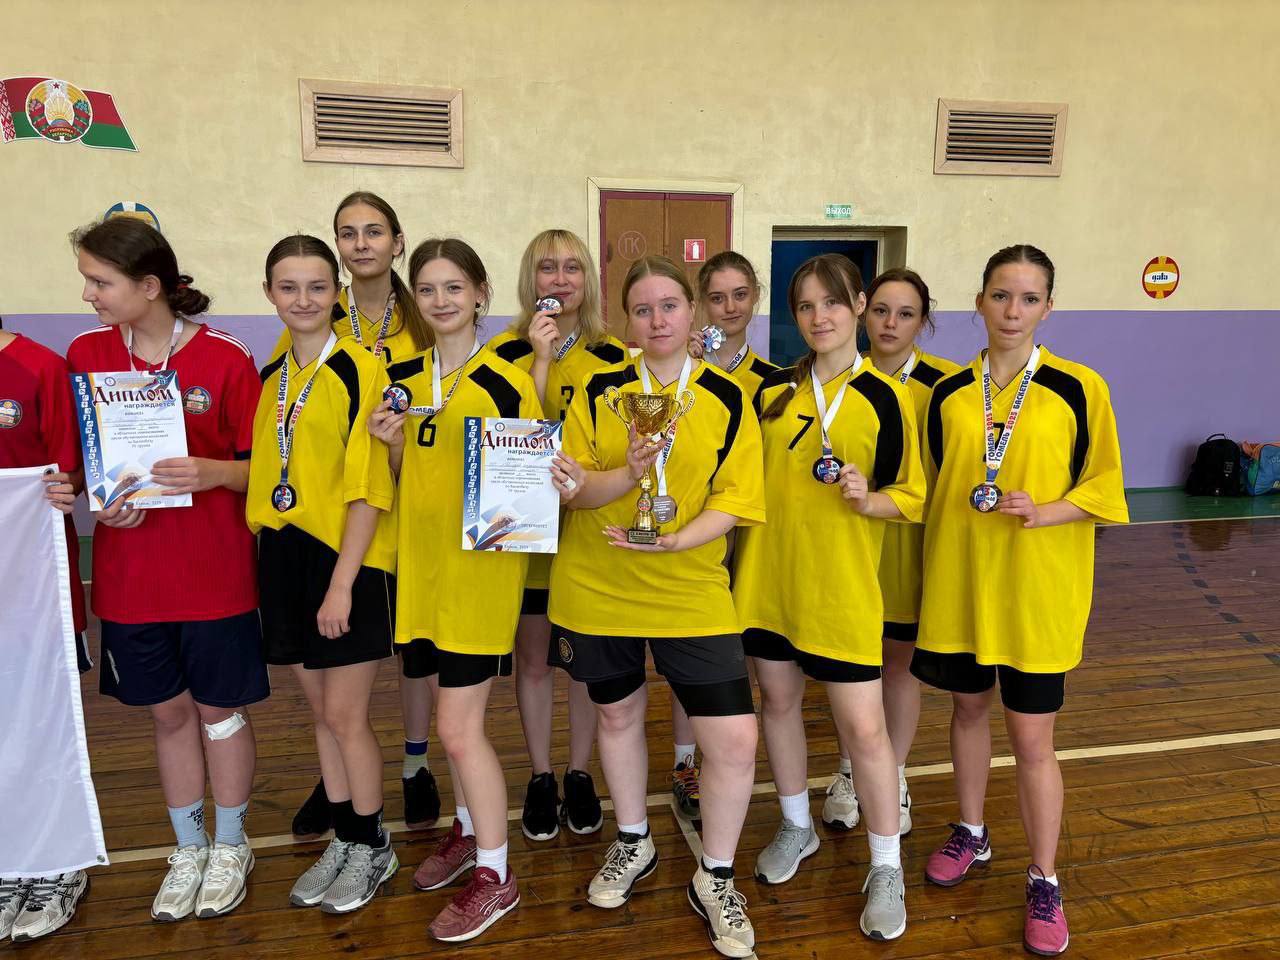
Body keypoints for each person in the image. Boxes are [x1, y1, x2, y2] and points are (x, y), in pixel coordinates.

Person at [548, 255, 764, 959]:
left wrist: (675, 541)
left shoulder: (727, 396)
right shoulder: (598, 390)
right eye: (642, 309)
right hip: (600, 581)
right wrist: (629, 473)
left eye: (670, 305)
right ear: (627, 320)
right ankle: (634, 839)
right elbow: (574, 490)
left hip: (691, 585)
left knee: (733, 739)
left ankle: (717, 875)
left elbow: (735, 500)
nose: (658, 319)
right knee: (617, 715)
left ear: (692, 310)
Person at [914, 245, 1127, 957]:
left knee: (1033, 741)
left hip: (1037, 591)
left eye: (1029, 298)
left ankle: (1044, 877)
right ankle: (971, 832)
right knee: (967, 711)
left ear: (1048, 308)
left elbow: (1104, 488)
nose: (1013, 311)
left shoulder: (1079, 387)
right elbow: (934, 485)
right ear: (979, 301)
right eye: (1001, 295)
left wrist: (1047, 510)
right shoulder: (949, 392)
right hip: (962, 586)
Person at [66, 217, 266, 922]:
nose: (88, 294)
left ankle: (232, 844)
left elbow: (268, 473)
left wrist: (214, 472)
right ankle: (189, 847)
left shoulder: (225, 358)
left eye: (100, 281)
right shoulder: (86, 354)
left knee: (218, 712)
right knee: (168, 713)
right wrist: (95, 499)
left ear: (149, 285)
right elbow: (82, 463)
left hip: (214, 575)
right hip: (130, 578)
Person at [733, 254, 924, 941]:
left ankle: (886, 865)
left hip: (841, 591)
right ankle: (796, 825)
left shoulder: (887, 398)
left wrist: (868, 499)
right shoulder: (773, 395)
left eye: (833, 303)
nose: (820, 317)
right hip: (769, 583)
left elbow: (912, 496)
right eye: (806, 306)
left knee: (865, 731)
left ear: (859, 305)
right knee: (778, 703)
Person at [372, 238, 542, 941]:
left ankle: (497, 878)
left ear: (480, 293)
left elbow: (525, 493)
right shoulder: (401, 379)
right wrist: (391, 444)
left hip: (479, 577)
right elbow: (402, 477)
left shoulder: (507, 381)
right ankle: (470, 830)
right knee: (449, 718)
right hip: (422, 573)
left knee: (457, 727)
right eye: (428, 289)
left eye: (454, 287)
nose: (441, 301)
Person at [286, 192, 441, 842]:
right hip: (344, 510)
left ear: (397, 243)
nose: (361, 244)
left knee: (413, 648)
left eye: (374, 231)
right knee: (336, 664)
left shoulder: (426, 318)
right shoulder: (320, 317)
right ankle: (339, 778)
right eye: (347, 233)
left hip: (416, 499)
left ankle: (414, 762)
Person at [249, 234, 398, 914]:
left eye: (317, 287)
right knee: (320, 714)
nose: (303, 299)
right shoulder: (272, 375)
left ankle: (372, 845)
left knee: (345, 714)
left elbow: (369, 487)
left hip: (347, 561)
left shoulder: (362, 369)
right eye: (289, 287)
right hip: (284, 554)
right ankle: (345, 834)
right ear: (269, 294)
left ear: (336, 293)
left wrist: (342, 583)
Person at [487, 229, 623, 839]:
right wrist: (539, 362)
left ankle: (579, 771)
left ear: (588, 280)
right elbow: (509, 439)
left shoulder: (612, 356)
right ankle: (542, 774)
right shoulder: (502, 353)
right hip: (525, 534)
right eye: (548, 268)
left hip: (586, 531)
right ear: (530, 280)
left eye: (572, 268)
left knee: (584, 667)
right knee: (534, 660)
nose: (560, 280)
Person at [822, 268, 961, 834]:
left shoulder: (946, 386)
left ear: (923, 321)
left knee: (899, 666)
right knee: (852, 664)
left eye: (905, 314)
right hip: (848, 540)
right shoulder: (832, 377)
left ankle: (894, 774)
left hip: (908, 541)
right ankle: (849, 770)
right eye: (880, 310)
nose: (890, 323)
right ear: (862, 310)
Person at [0, 317, 92, 942]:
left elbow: (75, 469)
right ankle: (11, 860)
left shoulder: (40, 367)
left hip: (34, 586)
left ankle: (57, 862)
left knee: (43, 715)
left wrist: (64, 485)